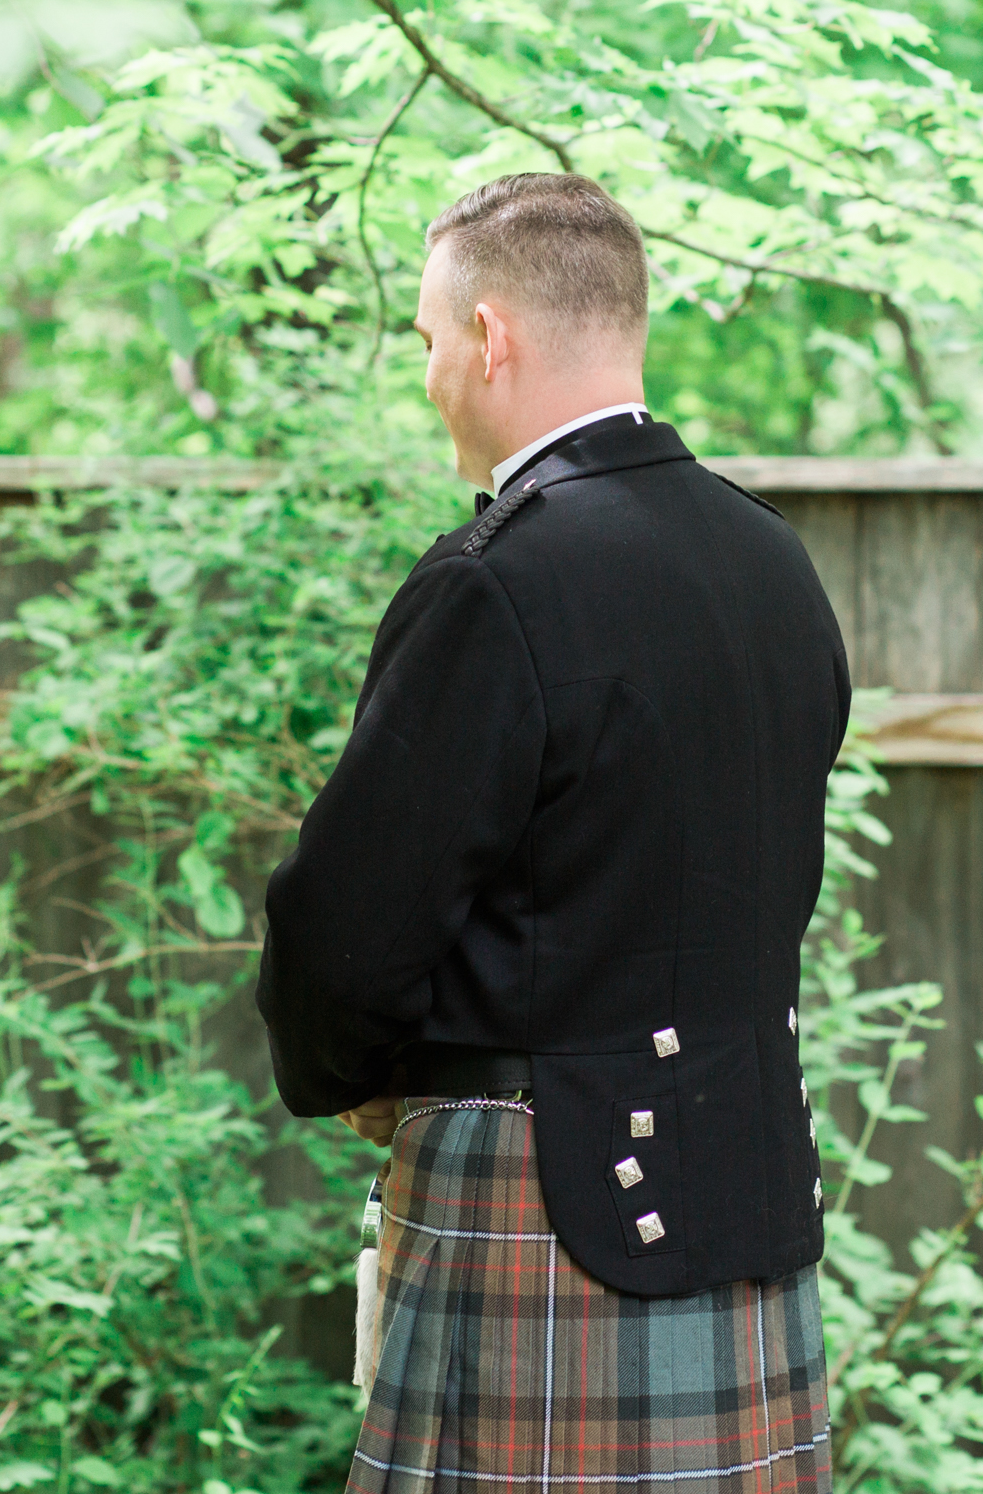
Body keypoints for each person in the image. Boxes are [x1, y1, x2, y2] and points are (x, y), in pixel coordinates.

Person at [258, 172, 850, 1493]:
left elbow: (346, 927)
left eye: (424, 340)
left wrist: (353, 1069)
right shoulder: (773, 564)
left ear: (491, 337)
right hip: (745, 1178)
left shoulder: (499, 580)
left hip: (536, 1191)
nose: (427, 378)